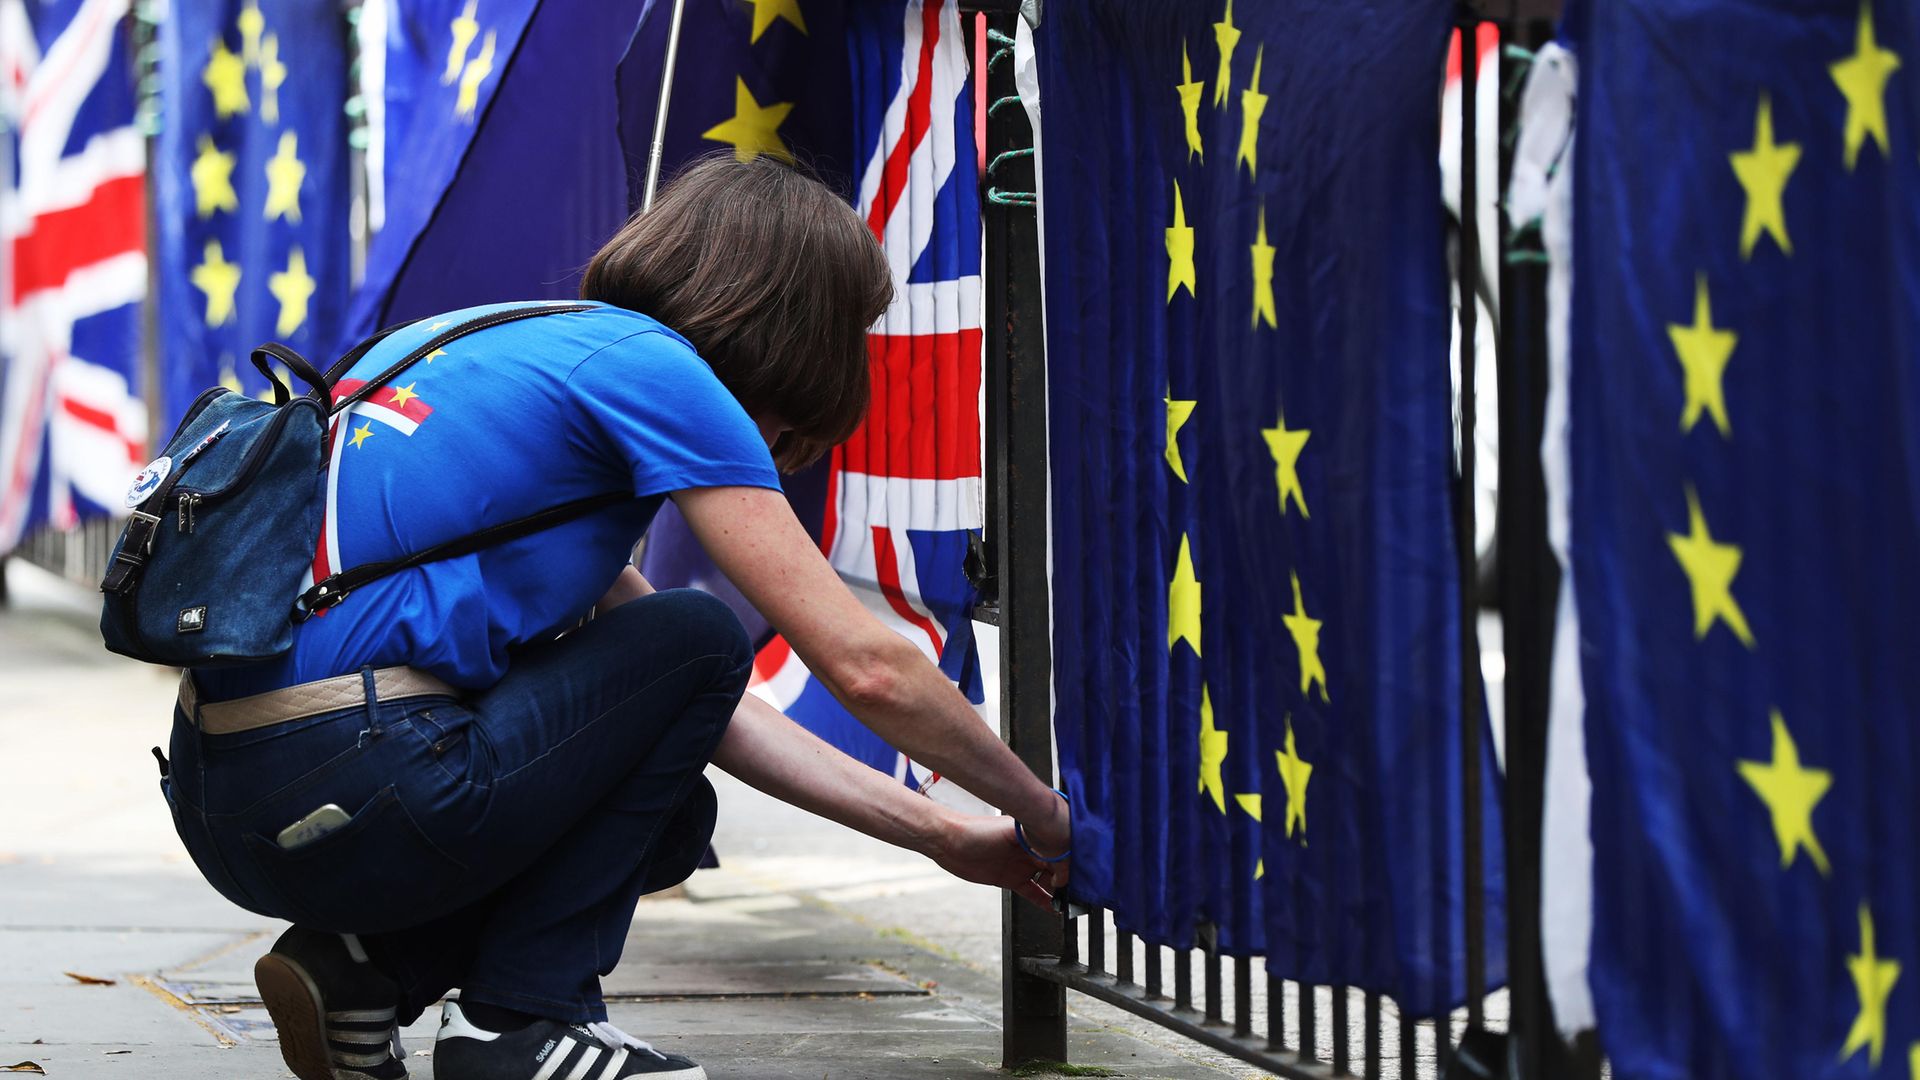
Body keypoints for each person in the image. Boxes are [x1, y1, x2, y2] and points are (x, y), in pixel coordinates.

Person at [161, 155, 1072, 1080]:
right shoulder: (660, 374)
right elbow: (863, 664)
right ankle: (521, 1025)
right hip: (360, 784)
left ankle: (358, 968)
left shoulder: (487, 343)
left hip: (223, 801)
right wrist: (1044, 810)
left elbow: (696, 706)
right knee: (705, 630)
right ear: (799, 328)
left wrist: (945, 835)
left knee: (675, 804)